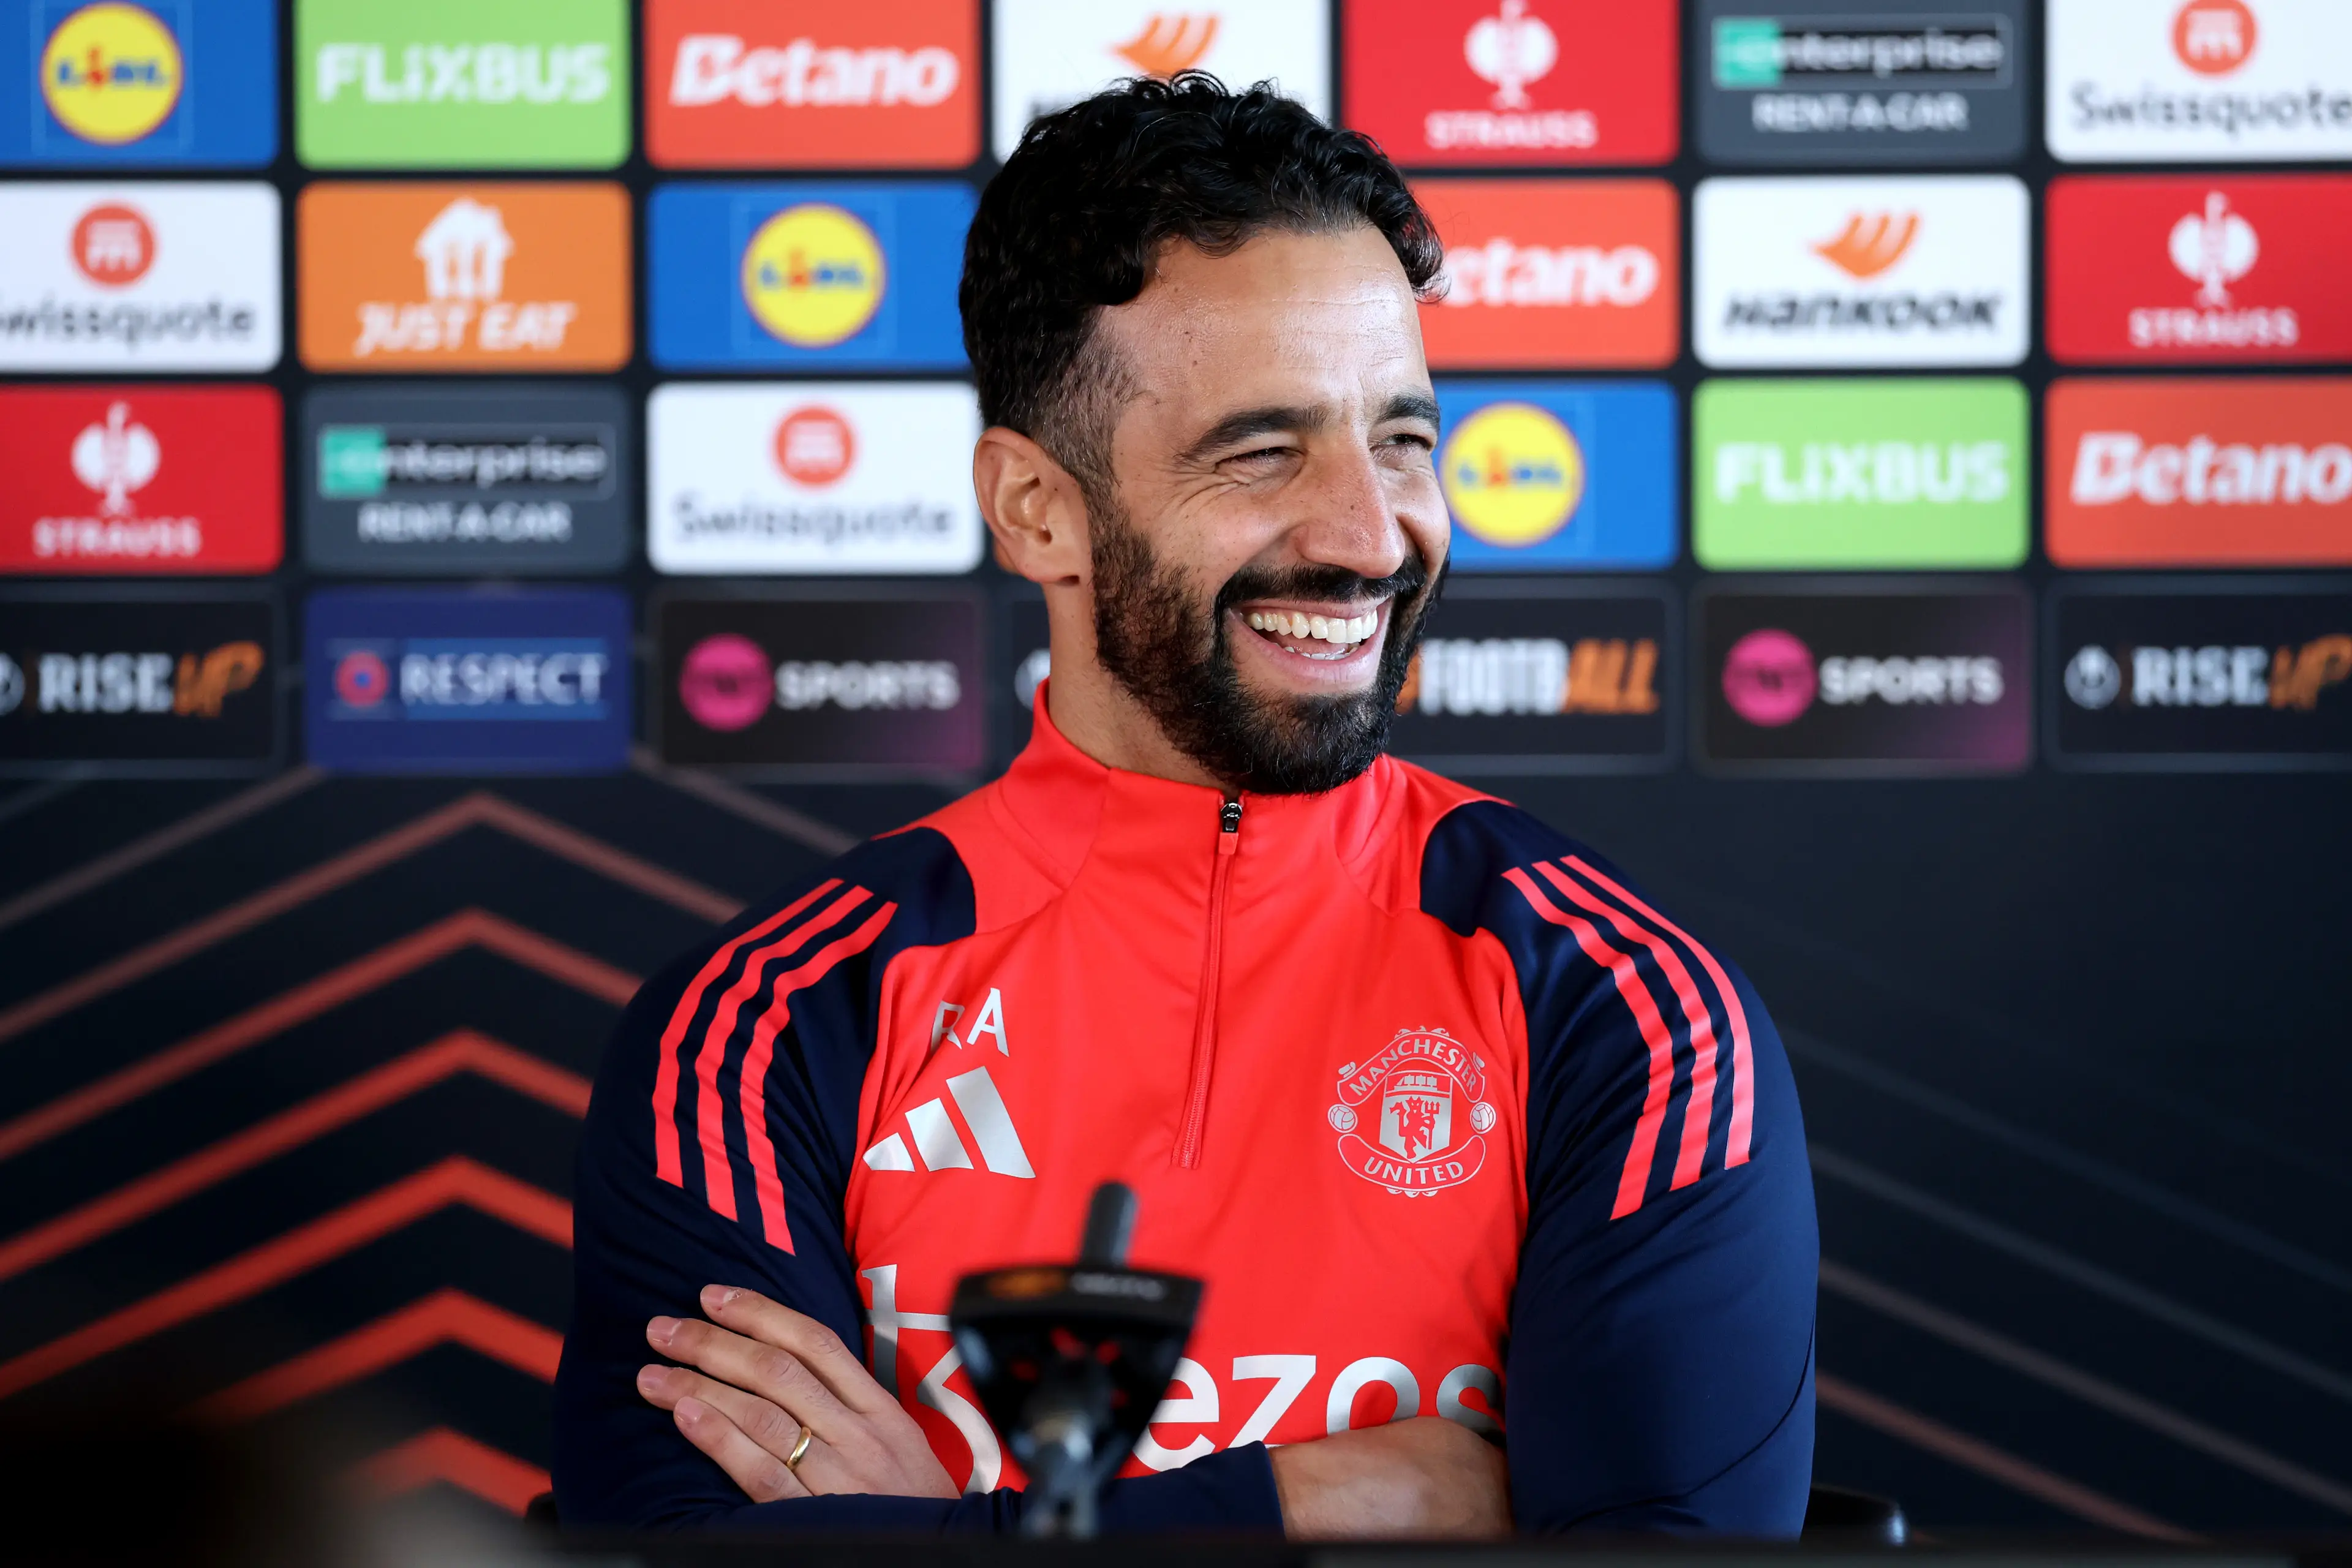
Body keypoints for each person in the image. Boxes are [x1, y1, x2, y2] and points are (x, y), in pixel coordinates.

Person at [554, 75, 1817, 1537]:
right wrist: (1326, 1496)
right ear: (1038, 509)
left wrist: (941, 1527)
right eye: (1261, 450)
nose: (1366, 532)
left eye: (1403, 439)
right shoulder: (765, 1025)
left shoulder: (1625, 1010)